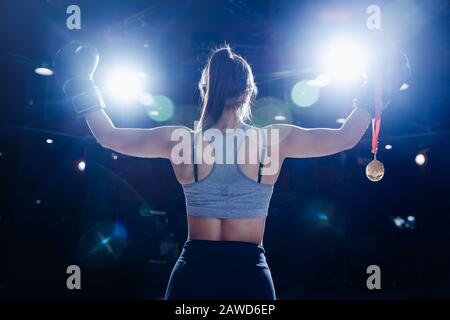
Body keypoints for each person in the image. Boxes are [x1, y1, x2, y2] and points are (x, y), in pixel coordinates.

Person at [54, 43, 374, 300]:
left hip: (194, 273)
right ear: (249, 93)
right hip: (250, 274)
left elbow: (107, 135)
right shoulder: (275, 140)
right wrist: (374, 90)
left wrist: (81, 83)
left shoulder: (179, 141)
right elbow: (347, 136)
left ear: (204, 88)